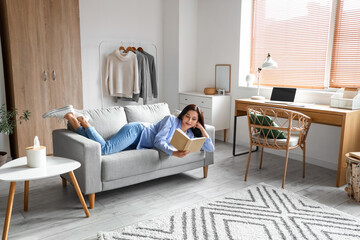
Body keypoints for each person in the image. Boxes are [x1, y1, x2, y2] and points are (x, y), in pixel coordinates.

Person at [43, 104, 214, 158]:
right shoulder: (171, 120)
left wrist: (201, 129)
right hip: (137, 131)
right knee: (104, 149)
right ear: (183, 115)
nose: (189, 121)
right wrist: (174, 152)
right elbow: (158, 141)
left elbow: (210, 148)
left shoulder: (191, 134)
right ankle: (85, 122)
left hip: (136, 143)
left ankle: (74, 119)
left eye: (194, 119)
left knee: (99, 146)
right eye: (188, 117)